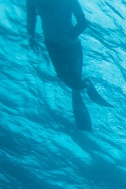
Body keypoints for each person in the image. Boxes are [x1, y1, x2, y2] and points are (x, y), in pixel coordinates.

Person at [26, 0, 111, 131]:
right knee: (63, 77)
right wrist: (31, 36)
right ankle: (82, 86)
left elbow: (83, 23)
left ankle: (85, 85)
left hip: (72, 46)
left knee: (74, 80)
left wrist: (69, 38)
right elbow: (31, 15)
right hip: (52, 46)